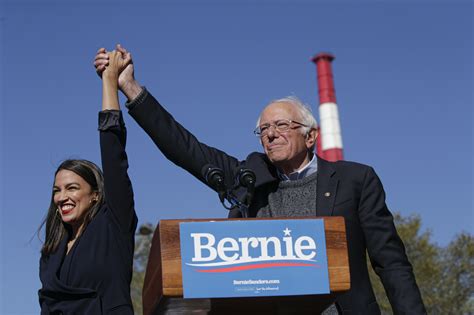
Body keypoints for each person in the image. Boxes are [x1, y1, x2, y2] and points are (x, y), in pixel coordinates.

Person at [95, 46, 426, 314]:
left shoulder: (356, 179)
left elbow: (391, 263)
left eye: (282, 126)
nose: (271, 135)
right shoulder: (248, 180)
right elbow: (184, 147)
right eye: (264, 130)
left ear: (311, 137)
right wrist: (129, 86)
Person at [39, 49, 138, 314]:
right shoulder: (51, 252)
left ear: (95, 194)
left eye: (72, 188)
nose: (62, 197)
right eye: (57, 190)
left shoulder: (112, 225)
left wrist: (109, 81)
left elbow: (113, 150)